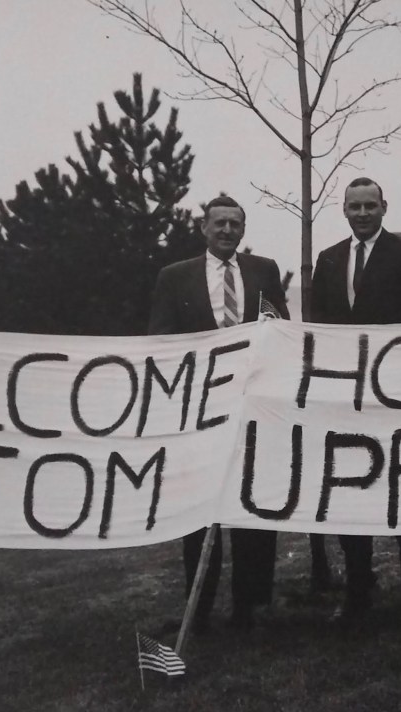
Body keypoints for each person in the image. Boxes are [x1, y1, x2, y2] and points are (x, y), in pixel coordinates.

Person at [148, 194, 289, 632]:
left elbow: (278, 328)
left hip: (252, 407)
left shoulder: (263, 270)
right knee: (200, 511)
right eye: (219, 223)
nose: (227, 230)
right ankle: (201, 606)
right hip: (201, 411)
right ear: (203, 228)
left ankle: (252, 605)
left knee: (254, 504)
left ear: (243, 230)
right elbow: (161, 337)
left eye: (235, 223)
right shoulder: (175, 277)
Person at [311, 177, 401, 625]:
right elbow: (318, 325)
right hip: (347, 395)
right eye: (354, 206)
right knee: (351, 487)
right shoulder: (328, 260)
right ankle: (358, 588)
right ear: (343, 210)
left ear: (385, 207)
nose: (363, 213)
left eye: (370, 205)